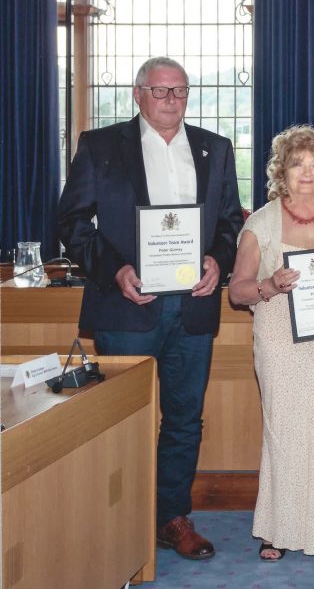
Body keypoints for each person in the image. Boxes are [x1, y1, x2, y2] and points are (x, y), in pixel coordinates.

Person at [57, 56, 243, 559]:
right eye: (160, 91)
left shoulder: (215, 148)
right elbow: (72, 224)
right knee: (121, 419)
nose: (171, 101)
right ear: (138, 94)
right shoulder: (100, 146)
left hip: (193, 309)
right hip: (124, 309)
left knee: (185, 419)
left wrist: (216, 260)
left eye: (179, 91)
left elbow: (230, 222)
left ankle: (172, 519)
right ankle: (117, 522)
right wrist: (115, 270)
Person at [227, 125, 314, 559]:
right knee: (283, 429)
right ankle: (276, 528)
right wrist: (269, 283)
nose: (306, 172)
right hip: (278, 337)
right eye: (296, 164)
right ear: (280, 172)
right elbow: (237, 290)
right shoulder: (261, 222)